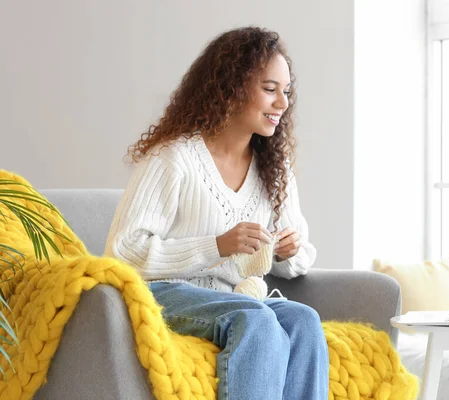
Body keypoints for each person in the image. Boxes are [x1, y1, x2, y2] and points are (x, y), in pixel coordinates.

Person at [104, 27, 329, 400]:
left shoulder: (274, 168)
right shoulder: (174, 158)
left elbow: (297, 255)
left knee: (304, 321)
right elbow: (123, 250)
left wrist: (287, 252)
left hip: (236, 296)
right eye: (270, 89)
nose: (282, 104)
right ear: (233, 86)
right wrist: (217, 246)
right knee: (256, 321)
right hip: (165, 293)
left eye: (286, 92)